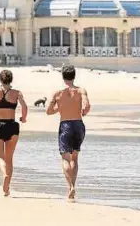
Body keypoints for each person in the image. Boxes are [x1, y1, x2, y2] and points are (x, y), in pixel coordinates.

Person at [46, 65, 90, 200]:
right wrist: (83, 112)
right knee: (75, 158)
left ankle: (69, 186)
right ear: (74, 76)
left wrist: (60, 109)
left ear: (63, 77)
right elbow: (87, 107)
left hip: (65, 125)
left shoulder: (58, 93)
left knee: (65, 157)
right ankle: (73, 185)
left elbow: (48, 111)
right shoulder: (81, 91)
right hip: (78, 124)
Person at [0, 70, 28, 197]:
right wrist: (23, 118)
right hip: (12, 126)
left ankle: (4, 175)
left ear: (0, 80)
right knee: (9, 159)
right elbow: (24, 107)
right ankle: (7, 188)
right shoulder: (17, 93)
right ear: (11, 79)